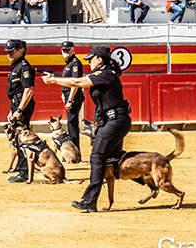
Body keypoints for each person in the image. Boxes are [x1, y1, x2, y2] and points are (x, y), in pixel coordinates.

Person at [42, 46, 142, 212]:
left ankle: (89, 201)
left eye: (91, 59)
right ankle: (146, 174)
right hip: (113, 120)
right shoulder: (106, 73)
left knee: (97, 157)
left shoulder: (106, 74)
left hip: (115, 121)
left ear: (100, 59)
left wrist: (54, 80)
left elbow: (76, 82)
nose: (89, 62)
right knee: (114, 157)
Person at [4, 39, 36, 183]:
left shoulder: (24, 67)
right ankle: (22, 169)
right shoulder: (17, 66)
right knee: (18, 139)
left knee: (22, 139)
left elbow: (28, 90)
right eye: (8, 52)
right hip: (17, 106)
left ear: (20, 51)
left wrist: (19, 110)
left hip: (22, 107)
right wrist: (13, 110)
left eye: (12, 51)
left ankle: (24, 173)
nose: (9, 54)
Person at [60, 41, 84, 153]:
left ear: (73, 49)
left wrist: (70, 99)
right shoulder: (69, 63)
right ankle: (73, 150)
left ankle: (75, 152)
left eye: (67, 49)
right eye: (63, 50)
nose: (65, 51)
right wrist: (64, 94)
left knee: (72, 123)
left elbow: (75, 83)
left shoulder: (75, 63)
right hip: (69, 95)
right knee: (70, 123)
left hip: (73, 96)